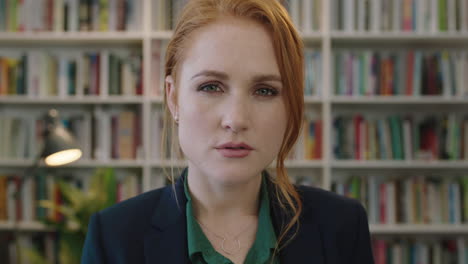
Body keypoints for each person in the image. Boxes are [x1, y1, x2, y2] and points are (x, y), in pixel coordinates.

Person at [81, 0, 375, 263]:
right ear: (173, 98)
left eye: (264, 90)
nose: (236, 119)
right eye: (210, 87)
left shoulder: (342, 226)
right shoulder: (114, 238)